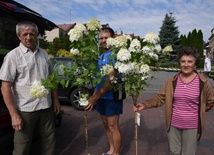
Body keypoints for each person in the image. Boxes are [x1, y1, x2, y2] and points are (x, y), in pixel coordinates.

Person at [133, 47, 214, 155]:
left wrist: (201, 111)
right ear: (179, 63)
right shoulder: (172, 81)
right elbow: (160, 97)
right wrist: (145, 105)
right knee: (173, 152)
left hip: (192, 126)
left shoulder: (203, 82)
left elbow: (210, 100)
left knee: (188, 153)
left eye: (190, 61)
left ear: (195, 64)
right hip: (173, 125)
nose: (186, 64)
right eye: (183, 61)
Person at [0, 21, 60, 155]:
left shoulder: (44, 54)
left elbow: (52, 79)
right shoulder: (12, 56)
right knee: (22, 147)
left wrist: (55, 100)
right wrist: (13, 114)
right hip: (25, 109)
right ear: (18, 36)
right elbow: (5, 87)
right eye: (25, 34)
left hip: (46, 106)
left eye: (32, 34)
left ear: (37, 35)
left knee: (49, 142)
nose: (29, 37)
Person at [85, 27, 123, 155]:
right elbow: (98, 79)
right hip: (101, 97)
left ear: (112, 38)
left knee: (113, 127)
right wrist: (95, 95)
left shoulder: (116, 55)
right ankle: (111, 150)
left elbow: (111, 80)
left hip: (112, 96)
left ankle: (116, 153)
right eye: (101, 38)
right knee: (106, 125)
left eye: (106, 38)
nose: (103, 40)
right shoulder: (101, 56)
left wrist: (97, 95)